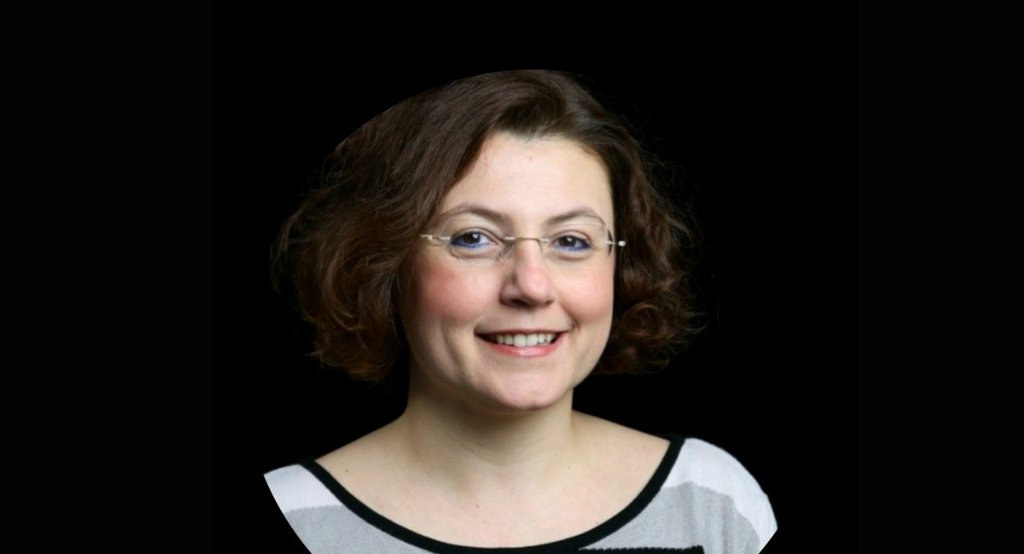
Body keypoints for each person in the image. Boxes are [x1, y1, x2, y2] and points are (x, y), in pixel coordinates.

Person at [263, 70, 777, 553]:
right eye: (473, 238)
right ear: (387, 264)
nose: (532, 286)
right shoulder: (296, 516)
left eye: (571, 241)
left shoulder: (712, 505)